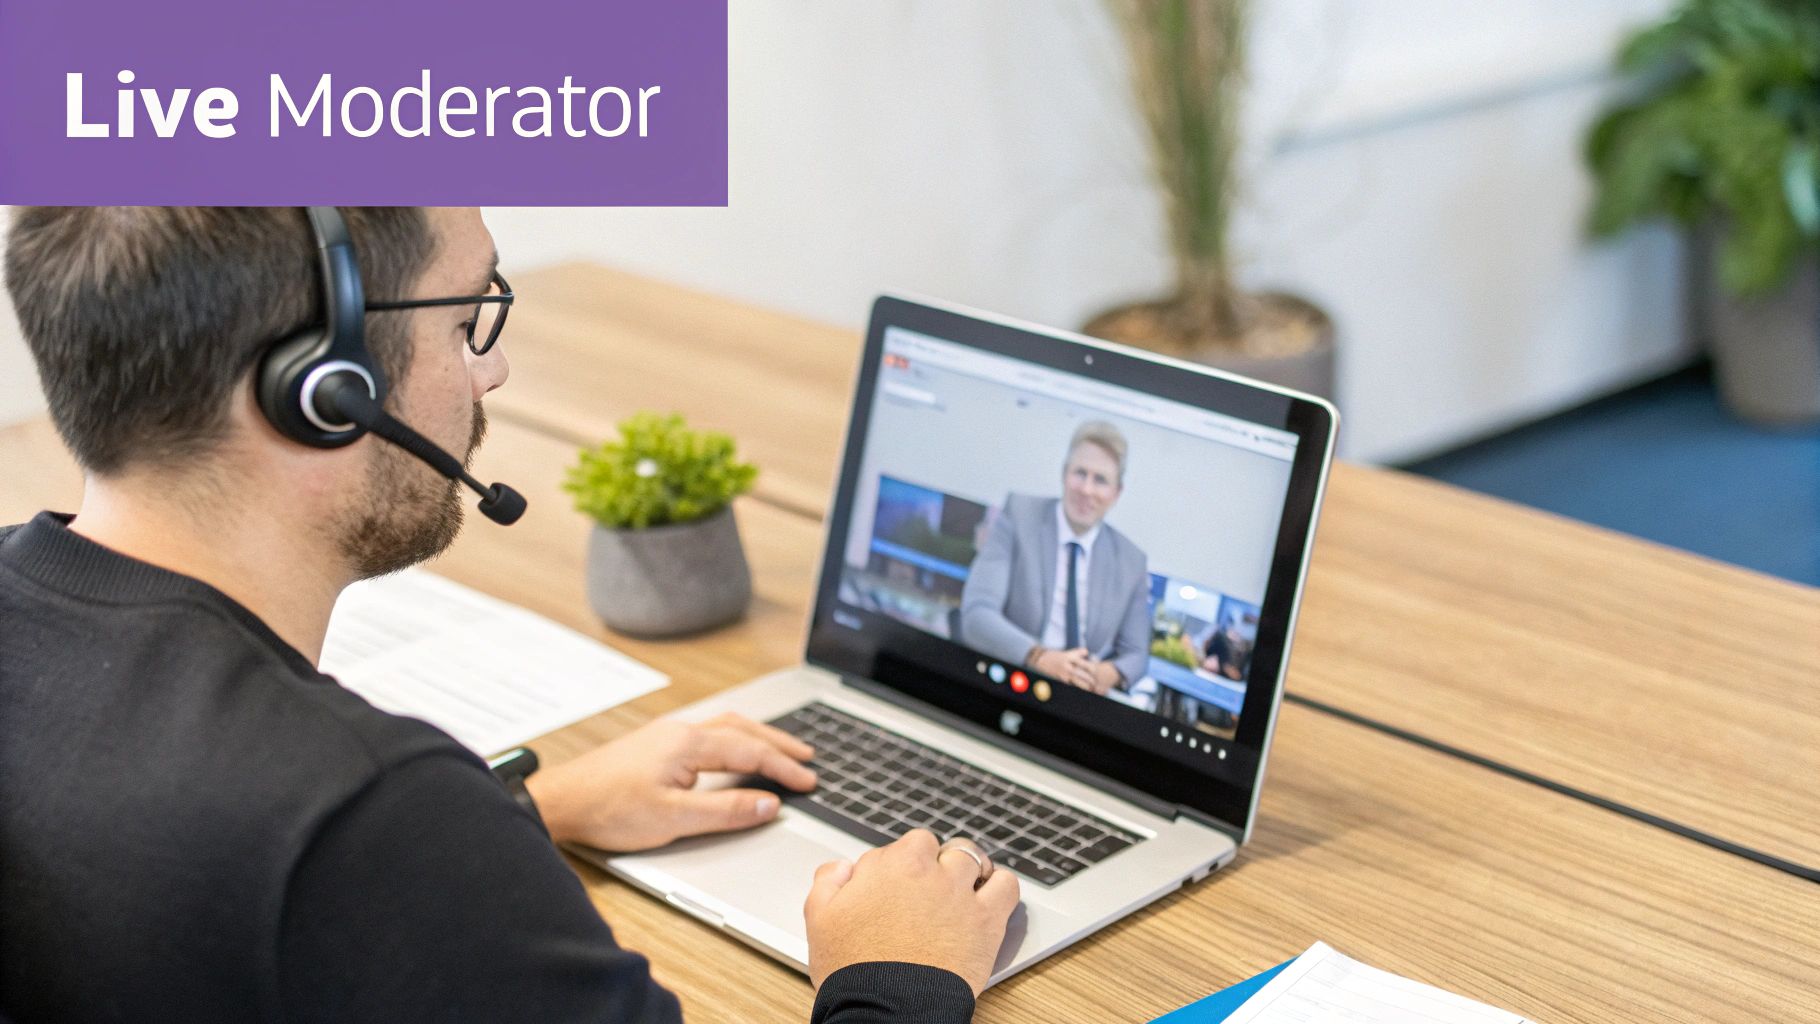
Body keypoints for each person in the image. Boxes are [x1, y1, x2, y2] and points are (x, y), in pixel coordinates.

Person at [0, 207, 1017, 1023]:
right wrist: (893, 972)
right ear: (326, 390)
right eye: (466, 319)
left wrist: (525, 813)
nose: (493, 370)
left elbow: (208, 883)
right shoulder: (369, 813)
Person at [958, 421, 1150, 696]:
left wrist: (1108, 673)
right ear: (1064, 474)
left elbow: (1137, 655)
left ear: (1116, 493)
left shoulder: (1132, 561)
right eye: (1080, 473)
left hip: (1082, 696)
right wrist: (1040, 657)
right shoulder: (1018, 514)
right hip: (1011, 683)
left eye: (1101, 480)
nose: (1086, 489)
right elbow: (977, 614)